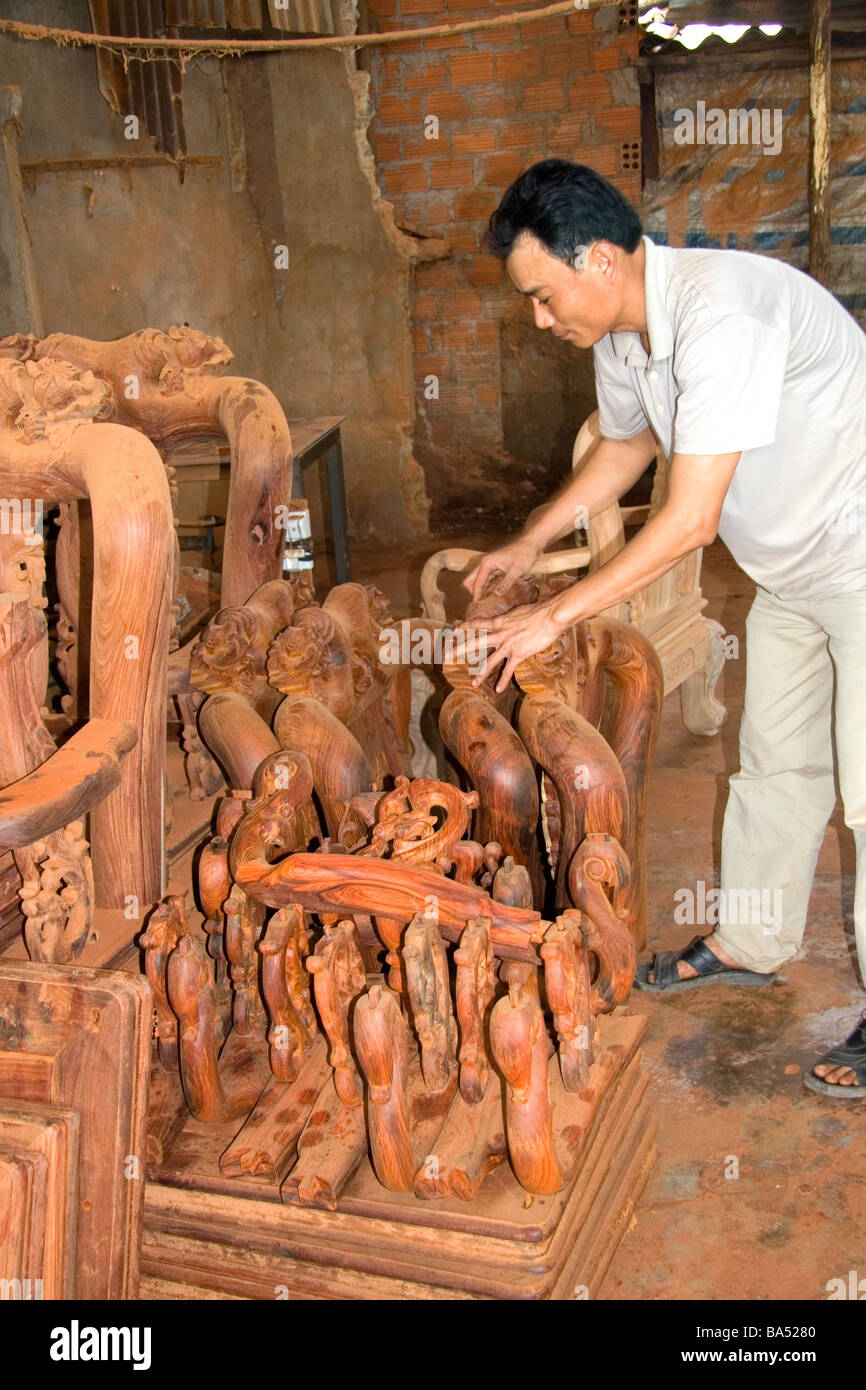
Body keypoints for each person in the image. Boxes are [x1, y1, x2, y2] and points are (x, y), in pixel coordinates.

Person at [464, 158, 866, 1096]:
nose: (538, 318)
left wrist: (554, 612)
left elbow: (690, 518)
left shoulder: (722, 312)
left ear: (599, 260)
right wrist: (529, 545)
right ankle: (754, 940)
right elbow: (630, 445)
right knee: (775, 763)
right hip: (795, 573)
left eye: (542, 295)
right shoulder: (627, 336)